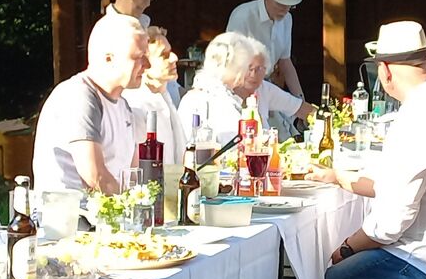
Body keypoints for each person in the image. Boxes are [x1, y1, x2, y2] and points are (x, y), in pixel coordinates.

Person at [314, 21, 426, 279]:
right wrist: (337, 177)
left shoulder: (420, 117)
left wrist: (346, 248)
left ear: (385, 70)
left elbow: (390, 223)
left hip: (423, 260)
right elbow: (397, 185)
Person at [33, 15, 146, 194]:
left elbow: (132, 176)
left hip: (108, 210)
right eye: (138, 57)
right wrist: (128, 206)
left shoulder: (123, 105)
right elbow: (95, 177)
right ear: (108, 59)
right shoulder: (79, 96)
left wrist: (137, 202)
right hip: (71, 210)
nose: (147, 65)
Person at [178, 32, 315, 148]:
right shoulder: (200, 98)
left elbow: (302, 109)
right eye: (247, 67)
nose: (252, 73)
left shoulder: (255, 91)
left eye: (259, 68)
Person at [225, 0, 306, 100]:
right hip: (239, 86)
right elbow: (232, 61)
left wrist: (300, 99)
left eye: (289, 5)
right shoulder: (243, 15)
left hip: (266, 86)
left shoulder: (287, 19)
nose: (284, 10)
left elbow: (285, 62)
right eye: (280, 4)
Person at [123, 26, 186, 158]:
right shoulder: (135, 106)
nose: (174, 58)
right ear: (143, 63)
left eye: (171, 52)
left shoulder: (164, 97)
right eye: (163, 55)